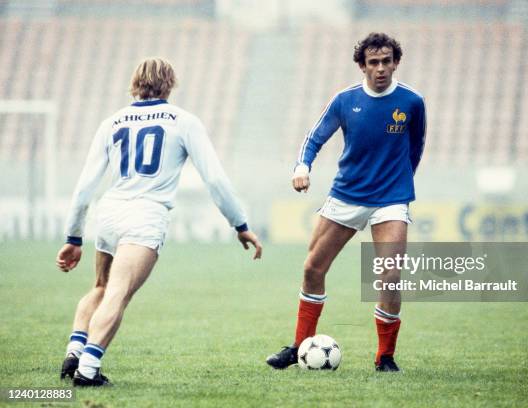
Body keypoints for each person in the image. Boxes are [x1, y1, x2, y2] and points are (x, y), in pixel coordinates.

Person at [57, 57, 262, 386]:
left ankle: (74, 352)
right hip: (145, 215)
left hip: (110, 212)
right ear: (170, 83)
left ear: (134, 83)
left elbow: (84, 187)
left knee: (101, 287)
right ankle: (87, 371)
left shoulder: (112, 122)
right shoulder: (183, 121)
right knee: (118, 294)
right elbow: (215, 179)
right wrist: (240, 224)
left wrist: (73, 237)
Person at [266, 33, 426, 372]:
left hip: (391, 199)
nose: (381, 69)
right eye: (374, 63)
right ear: (362, 66)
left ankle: (385, 357)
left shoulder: (412, 102)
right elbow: (315, 136)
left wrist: (400, 181)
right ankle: (299, 347)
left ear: (396, 63)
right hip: (347, 195)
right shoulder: (345, 100)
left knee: (389, 277)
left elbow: (417, 147)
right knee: (312, 268)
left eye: (386, 62)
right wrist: (302, 167)